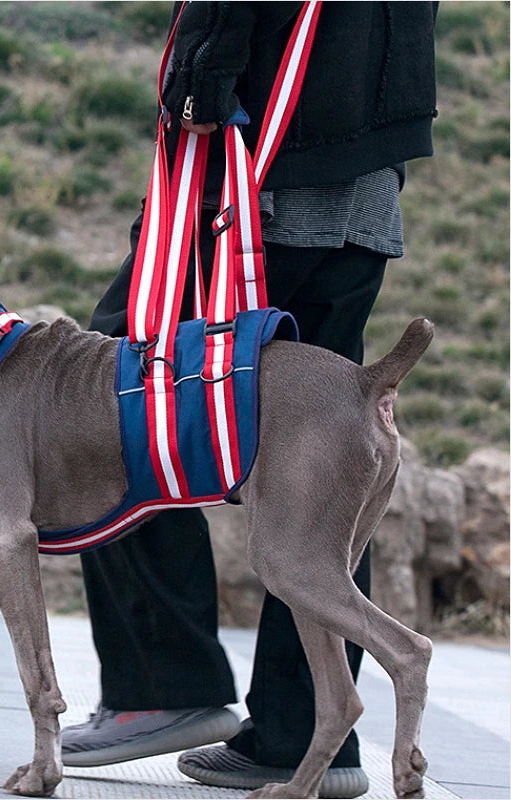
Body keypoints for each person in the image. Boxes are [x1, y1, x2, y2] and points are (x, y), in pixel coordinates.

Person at [61, 3, 438, 798]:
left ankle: (165, 680)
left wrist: (198, 82)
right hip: (369, 160)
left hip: (260, 159)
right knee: (331, 441)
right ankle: (303, 739)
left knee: (111, 394)